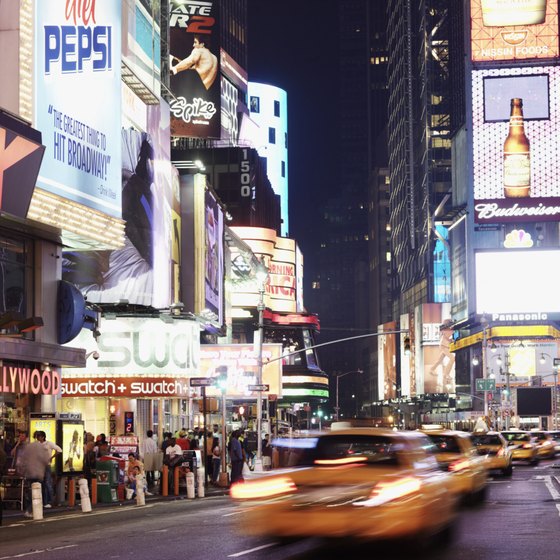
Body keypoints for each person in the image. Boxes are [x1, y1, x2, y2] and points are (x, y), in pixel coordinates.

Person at [20, 438, 51, 518]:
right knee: (37, 492)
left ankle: (29, 509)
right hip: (38, 473)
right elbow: (46, 459)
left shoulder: (28, 447)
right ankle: (31, 510)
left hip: (29, 473)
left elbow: (22, 459)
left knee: (30, 492)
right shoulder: (41, 448)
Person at [35, 431, 61, 508]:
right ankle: (45, 502)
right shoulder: (37, 444)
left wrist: (52, 457)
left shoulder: (49, 444)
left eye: (39, 436)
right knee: (43, 483)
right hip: (39, 465)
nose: (37, 438)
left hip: (46, 465)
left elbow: (59, 450)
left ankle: (50, 501)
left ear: (43, 437)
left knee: (48, 483)